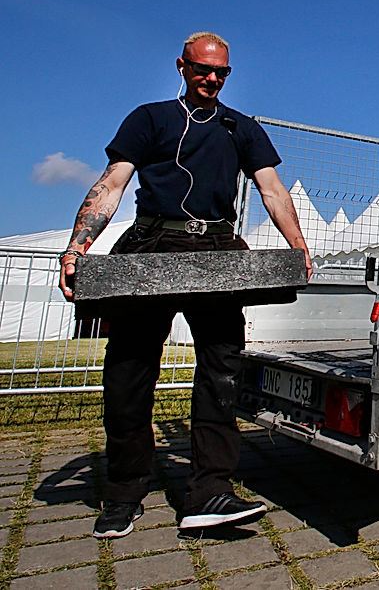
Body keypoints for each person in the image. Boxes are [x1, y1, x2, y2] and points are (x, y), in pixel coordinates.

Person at [58, 32, 312, 539]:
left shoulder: (241, 128)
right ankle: (125, 492)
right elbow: (112, 183)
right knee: (128, 373)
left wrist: (299, 246)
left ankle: (209, 493)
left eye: (222, 73)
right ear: (181, 66)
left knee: (222, 372)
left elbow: (271, 188)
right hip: (151, 245)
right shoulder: (149, 119)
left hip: (218, 252)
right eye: (202, 70)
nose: (212, 80)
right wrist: (77, 246)